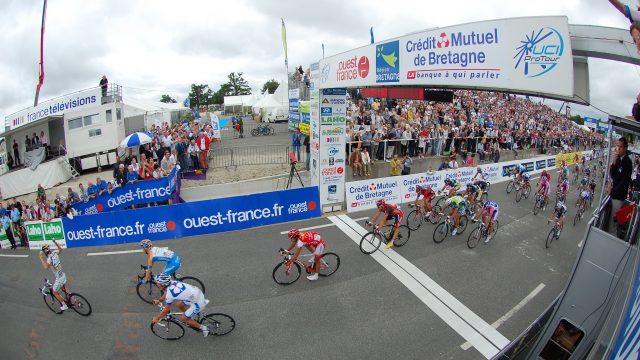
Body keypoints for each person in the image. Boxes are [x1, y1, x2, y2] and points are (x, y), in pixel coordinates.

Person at [609, 137, 633, 232]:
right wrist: (614, 163)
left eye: (621, 147)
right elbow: (612, 175)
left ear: (625, 148)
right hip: (614, 194)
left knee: (613, 224)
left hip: (618, 197)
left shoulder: (628, 162)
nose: (618, 149)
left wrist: (613, 191)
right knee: (610, 220)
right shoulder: (618, 159)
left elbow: (624, 182)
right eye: (618, 146)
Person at [39, 241, 69, 311]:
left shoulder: (49, 259)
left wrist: (41, 258)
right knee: (62, 288)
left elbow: (46, 267)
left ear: (45, 252)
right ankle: (70, 296)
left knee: (54, 292)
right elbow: (60, 249)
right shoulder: (55, 252)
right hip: (63, 275)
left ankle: (65, 306)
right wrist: (54, 241)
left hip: (59, 278)